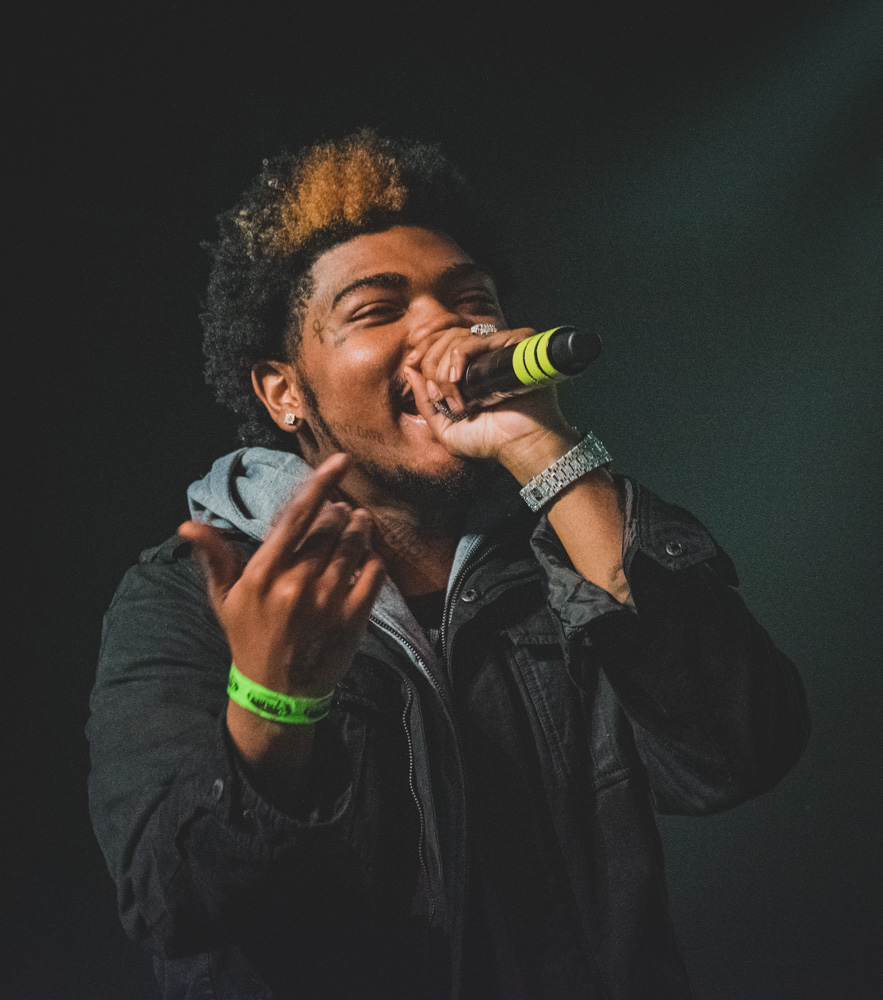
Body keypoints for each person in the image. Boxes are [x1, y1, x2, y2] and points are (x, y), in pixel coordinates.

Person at [88, 130, 810, 1000]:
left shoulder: (560, 554)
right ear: (284, 391)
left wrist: (543, 445)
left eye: (470, 300)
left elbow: (738, 754)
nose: (444, 327)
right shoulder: (187, 594)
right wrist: (275, 701)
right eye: (376, 309)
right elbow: (175, 902)